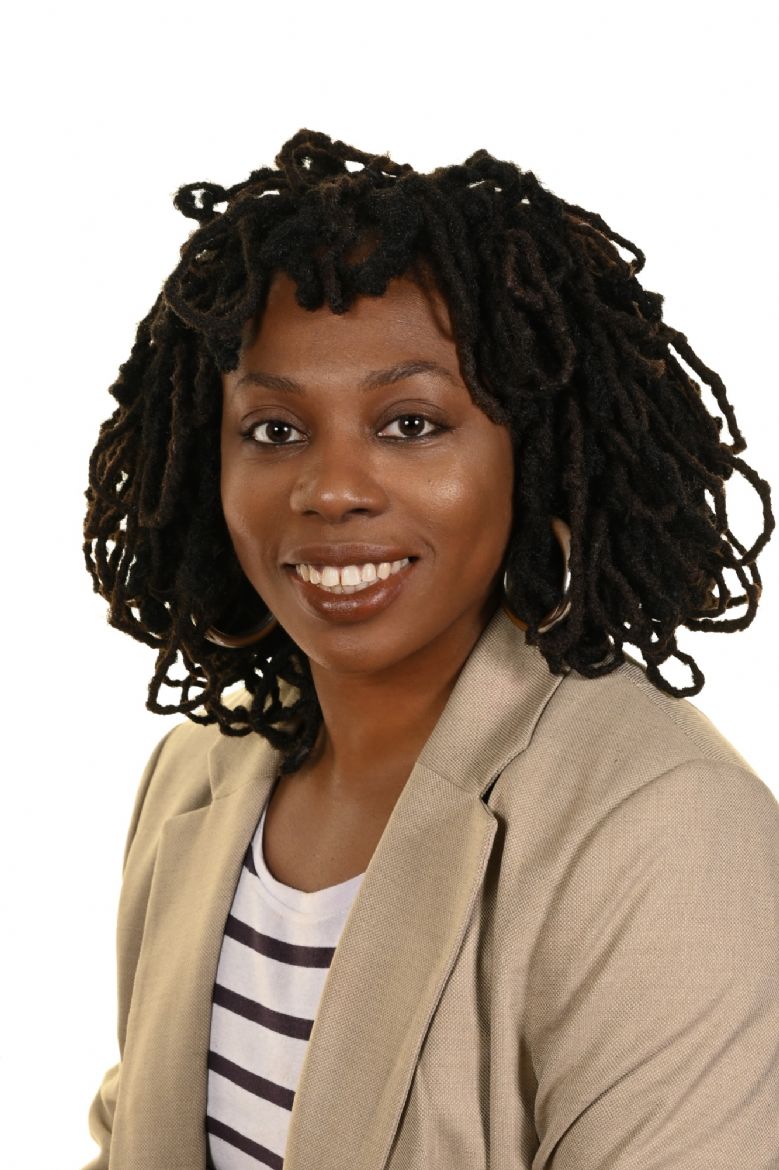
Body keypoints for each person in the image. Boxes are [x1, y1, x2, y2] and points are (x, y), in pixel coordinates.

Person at [81, 129, 779, 1170]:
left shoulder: (663, 827)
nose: (330, 490)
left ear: (527, 456)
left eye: (409, 423)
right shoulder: (197, 774)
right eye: (274, 430)